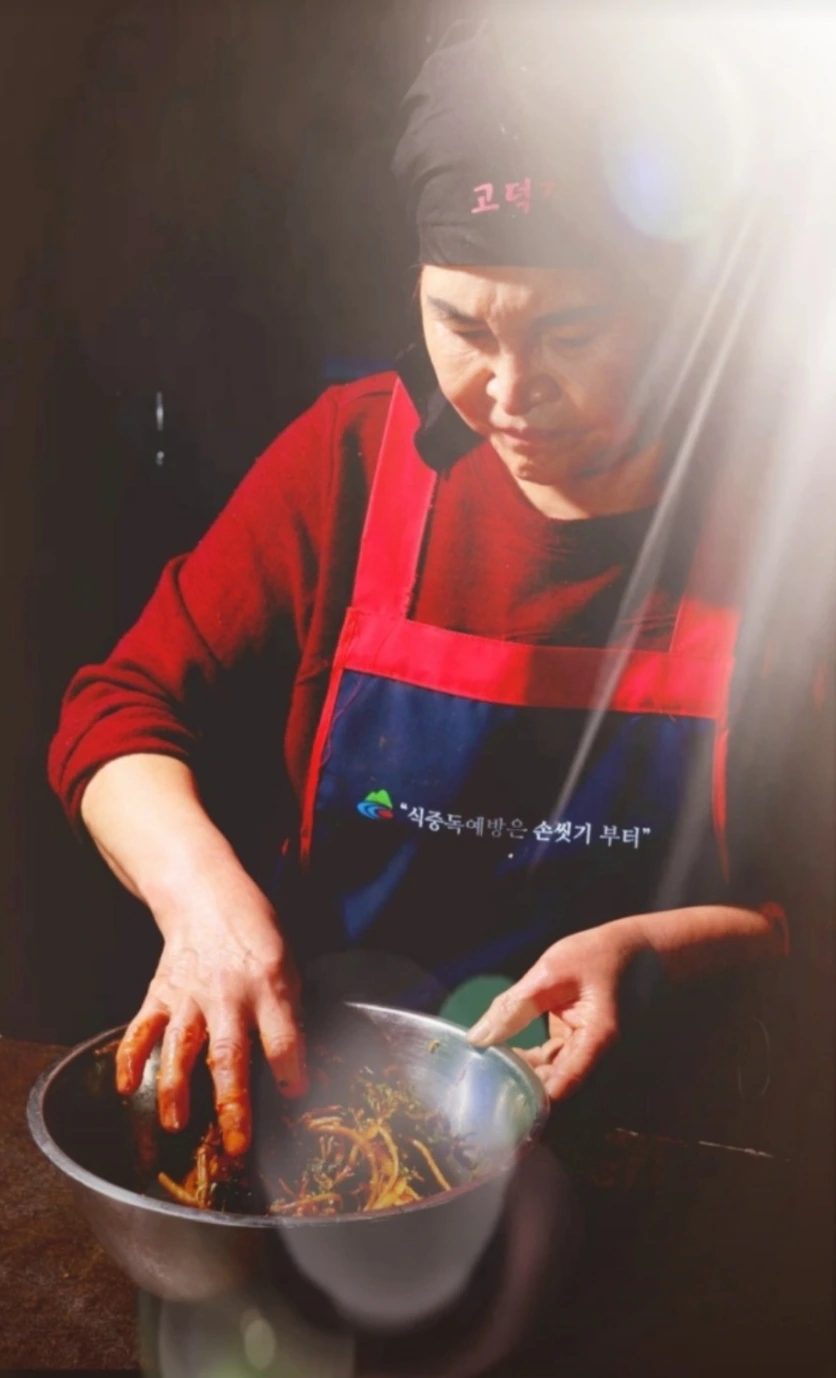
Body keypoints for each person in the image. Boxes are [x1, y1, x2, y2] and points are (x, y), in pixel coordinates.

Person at [49, 18, 791, 1159]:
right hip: (340, 1133)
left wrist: (654, 949)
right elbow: (115, 712)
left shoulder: (782, 522)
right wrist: (203, 903)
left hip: (655, 1150)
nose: (510, 391)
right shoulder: (351, 459)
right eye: (460, 324)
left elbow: (807, 905)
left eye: (572, 333)